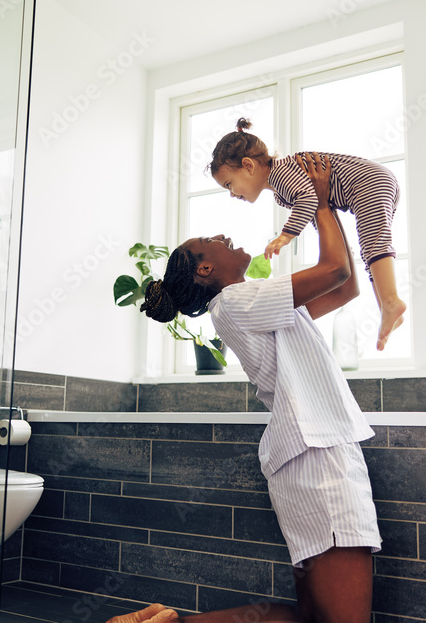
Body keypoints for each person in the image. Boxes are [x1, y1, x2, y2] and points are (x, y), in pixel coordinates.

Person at [132, 153, 381, 623]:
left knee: (308, 619)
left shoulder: (253, 303)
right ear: (204, 270)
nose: (223, 236)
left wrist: (321, 205)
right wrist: (319, 202)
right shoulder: (238, 300)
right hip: (319, 457)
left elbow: (344, 288)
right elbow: (336, 271)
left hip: (309, 456)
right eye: (210, 241)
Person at [208, 118, 406, 351]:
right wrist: (336, 241)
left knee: (375, 243)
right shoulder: (280, 192)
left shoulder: (281, 173)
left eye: (229, 184)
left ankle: (391, 301)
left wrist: (286, 235)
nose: (231, 194)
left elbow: (309, 199)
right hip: (374, 184)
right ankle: (386, 306)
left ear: (249, 166)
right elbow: (314, 209)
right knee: (371, 248)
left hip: (369, 183)